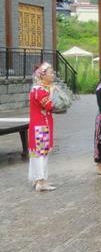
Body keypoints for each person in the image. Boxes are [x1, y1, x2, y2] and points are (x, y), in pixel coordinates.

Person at [28, 63, 57, 192]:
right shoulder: (40, 90)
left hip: (38, 125)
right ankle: (41, 181)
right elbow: (50, 106)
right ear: (43, 75)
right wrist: (52, 92)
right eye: (51, 72)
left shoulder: (36, 89)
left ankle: (37, 179)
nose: (53, 74)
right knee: (41, 154)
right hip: (41, 126)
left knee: (37, 153)